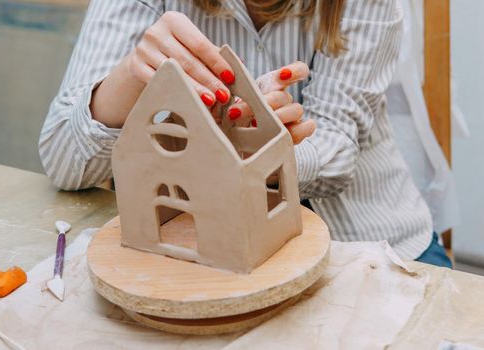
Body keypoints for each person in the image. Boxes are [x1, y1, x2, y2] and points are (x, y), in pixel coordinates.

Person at [39, 0, 451, 267]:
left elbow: (337, 153)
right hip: (201, 249)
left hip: (369, 242)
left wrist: (245, 149)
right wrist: (133, 75)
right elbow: (62, 160)